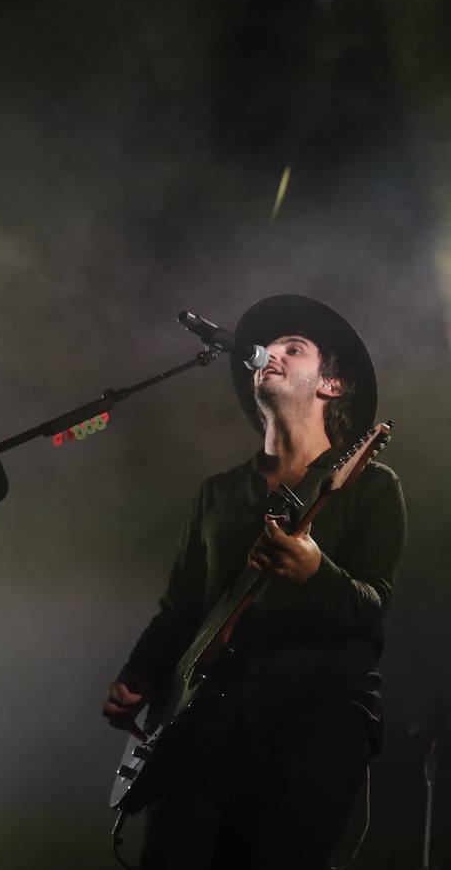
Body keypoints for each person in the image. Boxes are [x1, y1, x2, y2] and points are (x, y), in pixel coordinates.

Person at [102, 294, 407, 870]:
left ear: (331, 386)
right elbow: (183, 605)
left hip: (312, 722)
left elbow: (372, 607)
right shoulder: (218, 493)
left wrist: (316, 574)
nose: (273, 354)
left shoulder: (372, 486)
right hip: (202, 724)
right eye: (271, 348)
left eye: (296, 349)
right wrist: (140, 675)